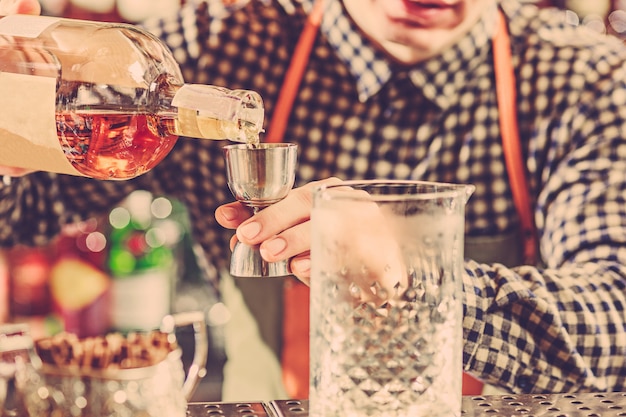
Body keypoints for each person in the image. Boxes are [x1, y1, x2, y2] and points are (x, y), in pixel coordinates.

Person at [1, 0, 626, 399]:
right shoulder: (220, 47)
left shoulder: (580, 81)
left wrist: (424, 286)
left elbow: (615, 330)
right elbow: (21, 211)